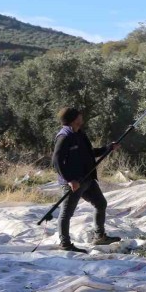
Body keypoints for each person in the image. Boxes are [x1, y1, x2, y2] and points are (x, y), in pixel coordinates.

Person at [52, 107, 121, 253]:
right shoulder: (64, 137)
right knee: (66, 213)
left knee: (101, 203)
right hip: (73, 183)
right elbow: (56, 162)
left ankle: (99, 237)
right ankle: (65, 244)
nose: (82, 117)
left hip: (87, 178)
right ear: (73, 119)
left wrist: (108, 148)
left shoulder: (80, 134)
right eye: (79, 115)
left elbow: (90, 153)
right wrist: (70, 180)